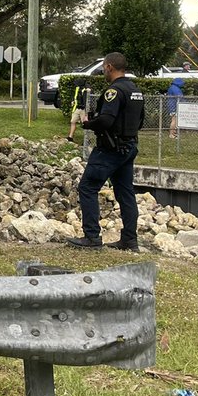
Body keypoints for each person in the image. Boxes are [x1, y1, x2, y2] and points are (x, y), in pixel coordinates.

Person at [67, 52, 146, 252]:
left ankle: (92, 236)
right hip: (129, 147)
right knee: (125, 192)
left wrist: (88, 123)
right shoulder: (135, 91)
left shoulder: (114, 91)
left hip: (109, 149)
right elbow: (141, 121)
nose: (103, 70)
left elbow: (106, 120)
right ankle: (129, 240)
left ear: (110, 66)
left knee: (87, 187)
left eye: (104, 67)